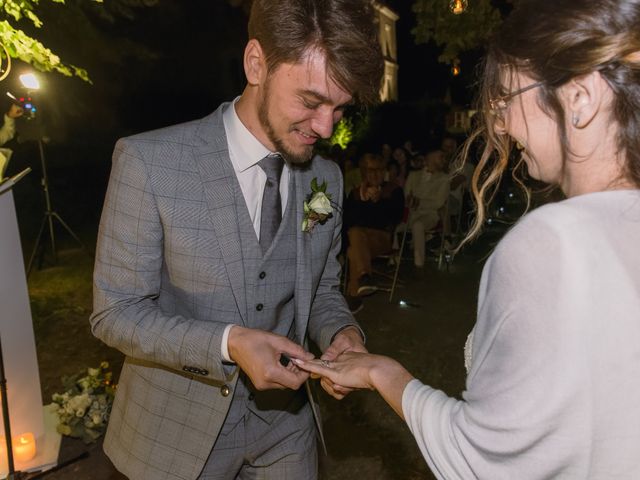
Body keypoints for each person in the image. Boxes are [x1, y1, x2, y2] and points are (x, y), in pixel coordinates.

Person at [295, 0, 640, 477]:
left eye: (508, 99)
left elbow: (479, 460)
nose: (500, 124)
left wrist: (383, 373)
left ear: (580, 98)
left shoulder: (556, 243)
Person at [90, 1, 383, 478]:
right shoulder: (149, 162)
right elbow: (115, 313)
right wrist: (228, 343)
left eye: (339, 108)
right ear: (255, 64)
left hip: (288, 429)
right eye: (310, 102)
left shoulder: (326, 178)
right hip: (178, 435)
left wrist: (343, 335)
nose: (326, 128)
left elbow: (324, 290)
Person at [343, 153, 404, 313]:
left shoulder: (393, 191)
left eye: (379, 169)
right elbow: (348, 221)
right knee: (353, 241)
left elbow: (394, 218)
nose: (375, 174)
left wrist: (379, 202)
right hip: (359, 242)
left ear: (384, 171)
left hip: (382, 239)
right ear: (364, 172)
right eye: (370, 170)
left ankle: (356, 289)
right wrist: (362, 201)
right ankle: (361, 283)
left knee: (354, 242)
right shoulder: (355, 193)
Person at [403, 148, 450, 269]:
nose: (444, 160)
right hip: (410, 214)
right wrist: (411, 201)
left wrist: (418, 202)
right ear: (431, 158)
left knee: (418, 225)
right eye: (441, 157)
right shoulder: (413, 175)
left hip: (430, 215)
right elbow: (407, 195)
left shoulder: (444, 179)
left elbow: (438, 203)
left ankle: (419, 264)